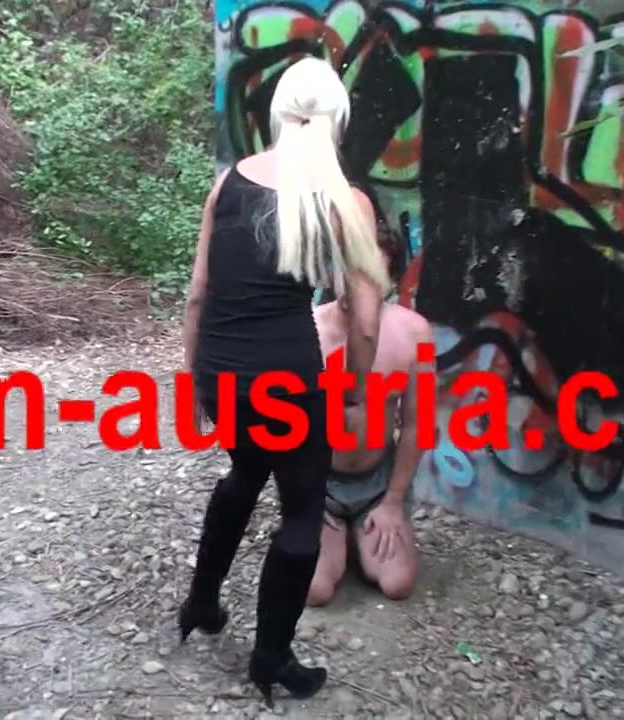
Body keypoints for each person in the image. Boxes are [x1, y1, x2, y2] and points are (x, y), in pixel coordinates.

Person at [176, 56, 391, 708]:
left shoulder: (228, 183)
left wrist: (197, 382)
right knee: (301, 512)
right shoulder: (345, 200)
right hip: (287, 383)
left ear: (277, 113)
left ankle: (202, 602)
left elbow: (198, 294)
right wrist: (355, 390)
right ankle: (271, 658)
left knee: (245, 471)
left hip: (221, 372)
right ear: (336, 119)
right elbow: (366, 323)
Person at [306, 296, 433, 606]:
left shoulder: (414, 331)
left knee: (397, 584)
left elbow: (418, 426)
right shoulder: (307, 327)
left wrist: (393, 501)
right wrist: (301, 497)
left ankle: (361, 531)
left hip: (378, 482)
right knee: (314, 590)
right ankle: (334, 535)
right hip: (318, 481)